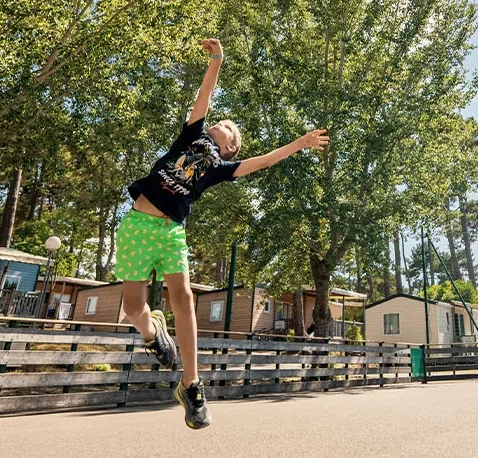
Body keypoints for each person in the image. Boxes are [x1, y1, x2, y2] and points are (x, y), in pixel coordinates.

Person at [119, 38, 328, 429]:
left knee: (182, 297)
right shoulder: (191, 134)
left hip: (169, 232)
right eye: (224, 121)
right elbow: (206, 93)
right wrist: (217, 59)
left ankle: (192, 384)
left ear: (230, 147)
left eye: (230, 129)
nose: (224, 123)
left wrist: (300, 143)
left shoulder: (221, 169)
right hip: (135, 226)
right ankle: (153, 335)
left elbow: (264, 161)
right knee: (132, 308)